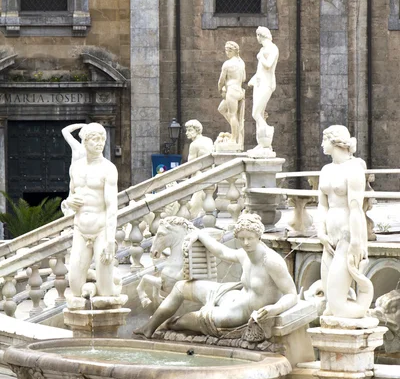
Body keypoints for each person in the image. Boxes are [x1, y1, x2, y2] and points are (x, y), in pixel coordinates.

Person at [135, 213, 297, 338]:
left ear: (259, 237)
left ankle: (167, 324)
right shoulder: (244, 254)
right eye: (242, 239)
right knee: (180, 287)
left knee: (189, 320)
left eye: (250, 238)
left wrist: (274, 309)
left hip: (239, 314)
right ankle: (149, 327)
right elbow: (222, 252)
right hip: (231, 296)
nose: (246, 243)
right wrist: (199, 234)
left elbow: (292, 294)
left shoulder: (271, 261)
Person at [318, 125, 373, 318]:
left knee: (336, 306)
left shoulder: (354, 170)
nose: (321, 144)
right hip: (329, 239)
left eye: (324, 139)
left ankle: (359, 316)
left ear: (334, 142)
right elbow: (322, 206)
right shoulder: (325, 170)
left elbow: (356, 208)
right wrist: (321, 233)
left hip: (347, 237)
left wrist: (357, 243)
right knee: (328, 302)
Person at [67, 122, 118, 298]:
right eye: (95, 139)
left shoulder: (108, 168)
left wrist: (111, 240)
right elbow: (69, 199)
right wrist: (69, 202)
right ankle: (91, 286)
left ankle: (110, 284)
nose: (99, 143)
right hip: (80, 229)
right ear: (85, 142)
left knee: (106, 292)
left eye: (102, 139)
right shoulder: (75, 167)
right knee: (74, 286)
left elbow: (112, 206)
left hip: (101, 229)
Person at [248, 27, 279, 153]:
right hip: (259, 83)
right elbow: (260, 70)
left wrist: (260, 57)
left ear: (261, 36)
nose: (257, 38)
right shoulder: (262, 49)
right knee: (259, 114)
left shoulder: (273, 48)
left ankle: (267, 134)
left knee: (255, 113)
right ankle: (261, 143)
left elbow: (269, 65)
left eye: (257, 35)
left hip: (267, 84)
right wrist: (253, 79)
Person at [217, 41, 246, 147]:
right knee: (221, 109)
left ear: (233, 51)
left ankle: (234, 139)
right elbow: (244, 78)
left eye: (228, 51)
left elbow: (221, 80)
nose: (227, 53)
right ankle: (236, 130)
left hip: (232, 91)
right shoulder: (241, 62)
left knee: (232, 115)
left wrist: (220, 90)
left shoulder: (227, 64)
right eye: (226, 50)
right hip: (239, 90)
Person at [185, 120, 214, 218]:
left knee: (194, 210)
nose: (186, 133)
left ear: (197, 130)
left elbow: (191, 165)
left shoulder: (194, 144)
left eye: (189, 130)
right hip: (212, 175)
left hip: (200, 177)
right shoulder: (209, 140)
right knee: (204, 205)